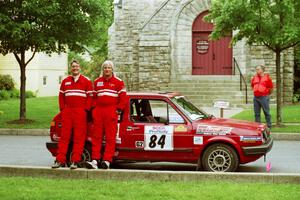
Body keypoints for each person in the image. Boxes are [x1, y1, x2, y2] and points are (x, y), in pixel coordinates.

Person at [52, 60, 93, 169]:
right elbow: (61, 97)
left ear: (80, 67)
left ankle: (75, 161)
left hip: (80, 112)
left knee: (79, 138)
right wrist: (63, 110)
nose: (75, 68)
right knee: (64, 137)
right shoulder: (65, 81)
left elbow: (90, 97)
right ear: (71, 68)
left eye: (77, 66)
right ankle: (59, 160)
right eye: (73, 66)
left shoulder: (86, 81)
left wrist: (85, 110)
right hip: (68, 112)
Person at [86, 60, 126, 169]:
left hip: (111, 112)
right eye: (105, 68)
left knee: (110, 138)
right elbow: (94, 98)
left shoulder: (118, 82)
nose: (107, 69)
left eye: (109, 68)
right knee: (96, 137)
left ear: (112, 69)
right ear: (102, 69)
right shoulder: (97, 81)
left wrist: (118, 110)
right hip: (98, 112)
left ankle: (107, 160)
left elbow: (123, 99)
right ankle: (95, 160)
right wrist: (94, 110)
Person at [251, 64, 273, 129]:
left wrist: (267, 94)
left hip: (264, 97)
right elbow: (252, 86)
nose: (257, 70)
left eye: (258, 69)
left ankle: (269, 126)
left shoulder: (267, 78)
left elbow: (271, 88)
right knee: (256, 113)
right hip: (256, 98)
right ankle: (258, 127)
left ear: (262, 70)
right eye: (256, 69)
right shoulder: (254, 78)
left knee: (266, 112)